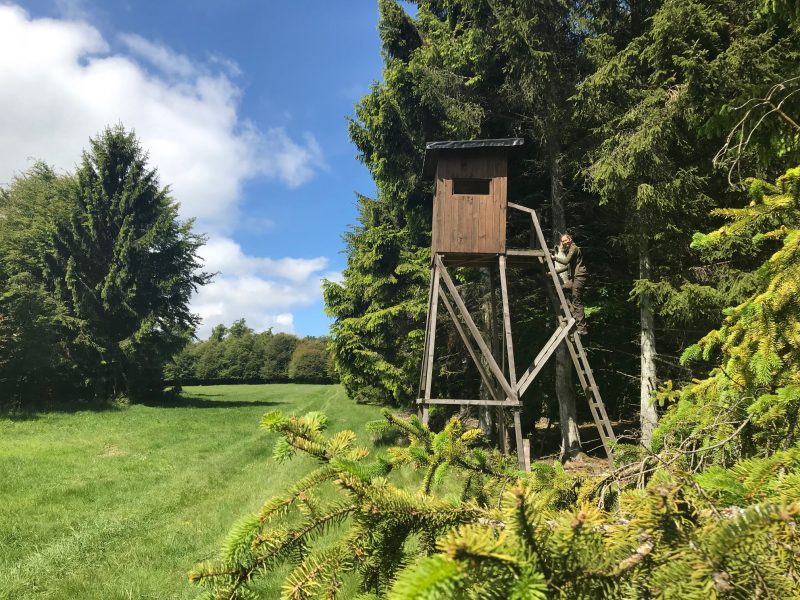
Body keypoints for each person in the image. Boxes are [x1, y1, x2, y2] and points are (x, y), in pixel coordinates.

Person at [552, 233, 588, 335]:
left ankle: (582, 328)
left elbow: (566, 261)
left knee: (576, 299)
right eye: (562, 241)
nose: (564, 243)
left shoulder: (574, 248)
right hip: (574, 278)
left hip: (579, 276)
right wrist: (555, 272)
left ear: (570, 239)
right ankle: (574, 315)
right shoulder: (570, 249)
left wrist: (555, 258)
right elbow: (567, 266)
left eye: (565, 240)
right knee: (560, 290)